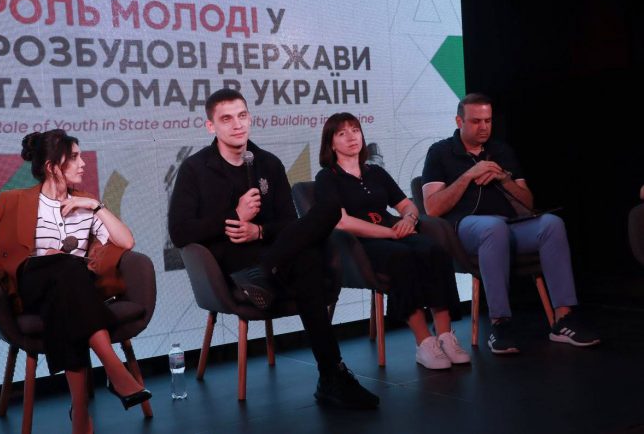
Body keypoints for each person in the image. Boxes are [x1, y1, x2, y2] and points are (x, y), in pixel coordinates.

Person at [168, 88, 379, 409]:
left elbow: (288, 224)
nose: (237, 125)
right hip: (231, 260)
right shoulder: (195, 169)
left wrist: (259, 230)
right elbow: (179, 231)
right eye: (227, 119)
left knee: (327, 212)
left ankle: (267, 270)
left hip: (273, 252)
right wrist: (234, 216)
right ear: (211, 126)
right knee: (309, 260)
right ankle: (332, 375)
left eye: (242, 116)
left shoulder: (267, 163)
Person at [0, 130, 151, 434]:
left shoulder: (85, 203)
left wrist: (96, 206)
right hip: (32, 286)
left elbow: (126, 241)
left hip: (68, 293)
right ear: (51, 166)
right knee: (63, 266)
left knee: (68, 278)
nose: (83, 163)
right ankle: (114, 369)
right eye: (74, 157)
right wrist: (43, 257)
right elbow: (0, 256)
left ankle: (81, 410)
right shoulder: (16, 201)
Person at [421, 93, 600, 354]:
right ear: (459, 121)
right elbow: (432, 208)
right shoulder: (440, 152)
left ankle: (563, 319)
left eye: (488, 121)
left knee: (551, 224)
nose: (483, 127)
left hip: (509, 225)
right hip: (465, 229)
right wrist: (469, 175)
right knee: (493, 228)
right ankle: (500, 323)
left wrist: (504, 179)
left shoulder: (501, 150)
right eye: (476, 121)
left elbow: (527, 204)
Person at [314, 113, 469, 369]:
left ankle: (445, 336)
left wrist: (409, 218)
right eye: (342, 133)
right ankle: (424, 342)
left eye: (355, 130)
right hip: (359, 244)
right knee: (401, 257)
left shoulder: (375, 172)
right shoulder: (327, 178)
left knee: (435, 251)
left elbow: (407, 204)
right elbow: (342, 222)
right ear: (331, 143)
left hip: (395, 232)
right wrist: (389, 233)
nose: (352, 137)